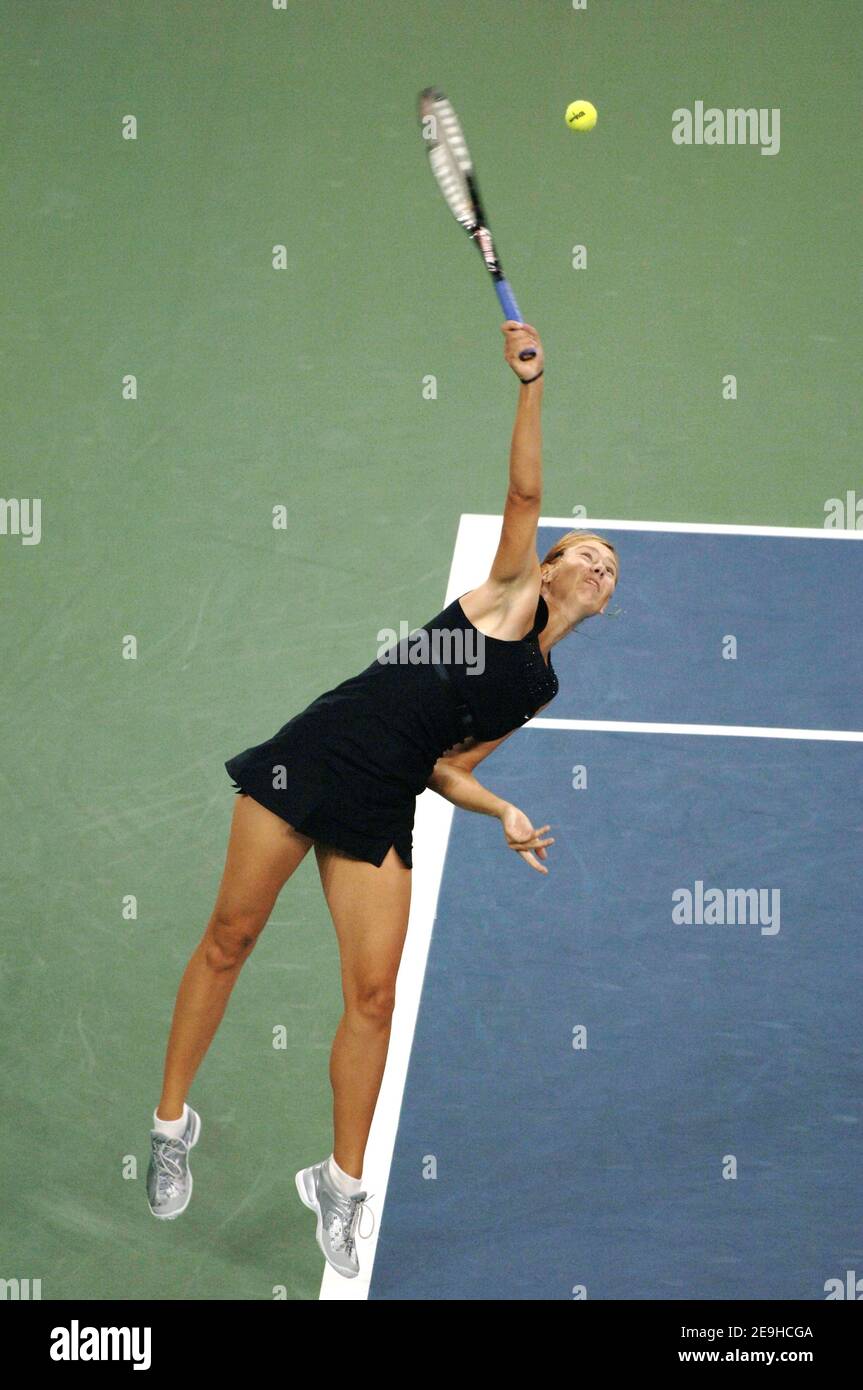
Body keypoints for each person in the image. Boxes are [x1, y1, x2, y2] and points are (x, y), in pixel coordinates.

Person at [146, 321, 619, 1279]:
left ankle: (342, 1186)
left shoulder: (537, 686)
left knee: (373, 997)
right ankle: (168, 1125)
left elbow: (449, 766)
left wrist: (503, 813)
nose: (600, 568)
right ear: (549, 563)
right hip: (316, 755)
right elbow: (525, 491)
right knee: (231, 936)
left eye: (612, 569)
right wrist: (531, 385)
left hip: (382, 803)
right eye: (586, 553)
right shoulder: (500, 597)